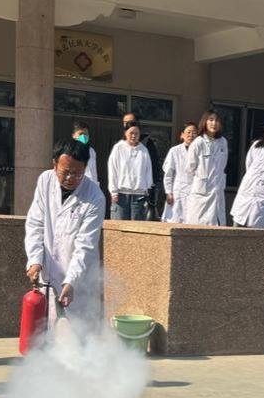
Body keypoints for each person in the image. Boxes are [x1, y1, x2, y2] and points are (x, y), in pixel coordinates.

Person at [25, 140, 105, 321]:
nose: (70, 178)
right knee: (47, 328)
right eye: (66, 172)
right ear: (54, 165)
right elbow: (35, 224)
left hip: (79, 278)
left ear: (85, 168)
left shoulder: (95, 196)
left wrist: (71, 280)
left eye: (77, 173)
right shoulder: (45, 181)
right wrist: (35, 260)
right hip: (49, 272)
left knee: (79, 331)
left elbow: (86, 245)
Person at [183, 109, 229, 226]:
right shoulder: (198, 142)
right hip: (201, 193)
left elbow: (223, 165)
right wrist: (202, 178)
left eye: (217, 120)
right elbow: (190, 168)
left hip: (217, 191)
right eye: (211, 120)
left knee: (216, 226)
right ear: (205, 122)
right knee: (197, 224)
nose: (214, 123)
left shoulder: (223, 142)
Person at [107, 120, 153, 221]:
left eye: (136, 133)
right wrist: (114, 192)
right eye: (131, 133)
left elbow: (148, 172)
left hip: (139, 195)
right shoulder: (118, 148)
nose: (133, 136)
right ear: (125, 133)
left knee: (136, 227)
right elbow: (113, 170)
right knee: (120, 225)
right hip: (121, 195)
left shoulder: (144, 150)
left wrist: (147, 191)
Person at [122, 113, 164, 220]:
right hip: (123, 192)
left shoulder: (146, 144)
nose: (128, 124)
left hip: (140, 193)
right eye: (125, 122)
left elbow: (153, 168)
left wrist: (152, 189)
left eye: (131, 122)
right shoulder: (119, 146)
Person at [161, 121, 197, 223]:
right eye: (188, 132)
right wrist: (169, 192)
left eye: (194, 133)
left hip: (193, 192)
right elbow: (168, 174)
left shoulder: (200, 152)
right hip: (177, 192)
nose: (191, 135)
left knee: (191, 223)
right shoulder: (175, 151)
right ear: (182, 135)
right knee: (173, 221)